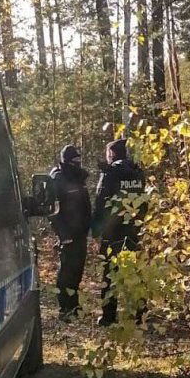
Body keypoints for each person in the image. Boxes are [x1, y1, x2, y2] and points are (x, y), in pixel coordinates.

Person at [92, 139, 146, 326]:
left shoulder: (110, 174)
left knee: (110, 274)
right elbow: (143, 201)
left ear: (112, 154)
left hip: (113, 233)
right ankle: (140, 315)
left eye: (108, 153)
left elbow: (100, 203)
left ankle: (108, 317)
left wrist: (96, 230)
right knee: (135, 272)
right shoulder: (138, 172)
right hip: (134, 230)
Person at [48, 144, 92, 321]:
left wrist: (87, 228)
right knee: (67, 272)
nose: (78, 162)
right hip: (67, 235)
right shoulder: (58, 179)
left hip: (80, 233)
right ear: (66, 160)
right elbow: (53, 211)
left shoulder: (79, 178)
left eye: (79, 159)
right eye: (74, 160)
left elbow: (84, 206)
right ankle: (65, 308)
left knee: (77, 271)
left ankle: (74, 305)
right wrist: (62, 234)